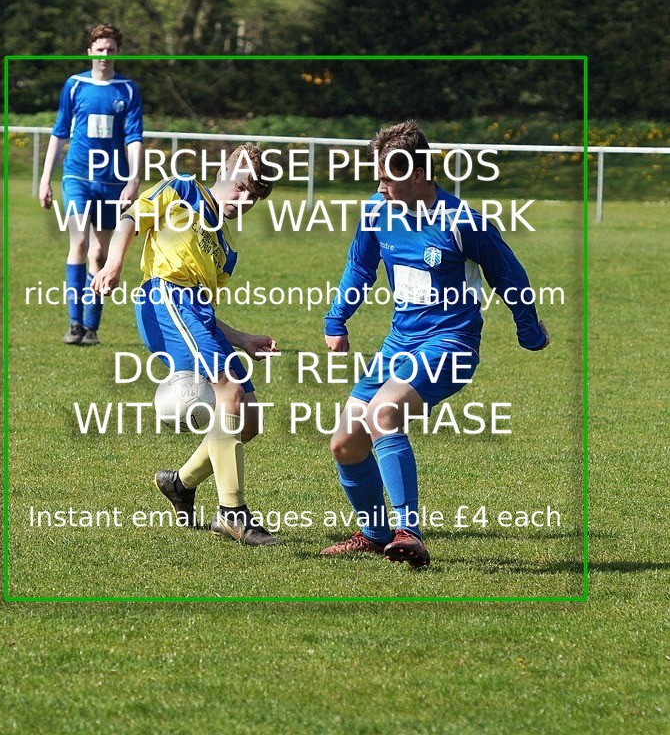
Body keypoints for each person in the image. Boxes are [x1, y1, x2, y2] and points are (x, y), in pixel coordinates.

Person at [320, 121, 549, 568]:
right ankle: (373, 533)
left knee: (384, 411)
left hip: (452, 343)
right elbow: (359, 267)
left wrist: (529, 329)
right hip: (399, 343)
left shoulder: (461, 222)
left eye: (388, 177)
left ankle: (409, 532)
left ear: (419, 174)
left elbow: (509, 274)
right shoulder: (376, 211)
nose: (380, 186)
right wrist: (337, 318)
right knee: (345, 442)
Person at [90, 143, 282, 546]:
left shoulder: (225, 250)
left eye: (253, 198)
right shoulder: (182, 188)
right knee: (227, 391)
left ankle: (180, 482)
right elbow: (130, 217)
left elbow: (206, 312)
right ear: (224, 172)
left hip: (195, 312)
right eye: (241, 187)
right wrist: (113, 262)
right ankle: (232, 513)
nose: (243, 200)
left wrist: (242, 338)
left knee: (249, 420)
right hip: (165, 297)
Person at [39, 23, 144, 346]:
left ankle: (91, 326)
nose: (105, 55)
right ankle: (73, 323)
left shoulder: (127, 90)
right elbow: (60, 132)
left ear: (117, 52)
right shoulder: (74, 86)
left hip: (112, 181)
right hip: (77, 176)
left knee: (100, 252)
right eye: (99, 49)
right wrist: (45, 179)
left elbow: (134, 137)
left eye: (110, 49)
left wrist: (133, 178)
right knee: (80, 243)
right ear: (90, 52)